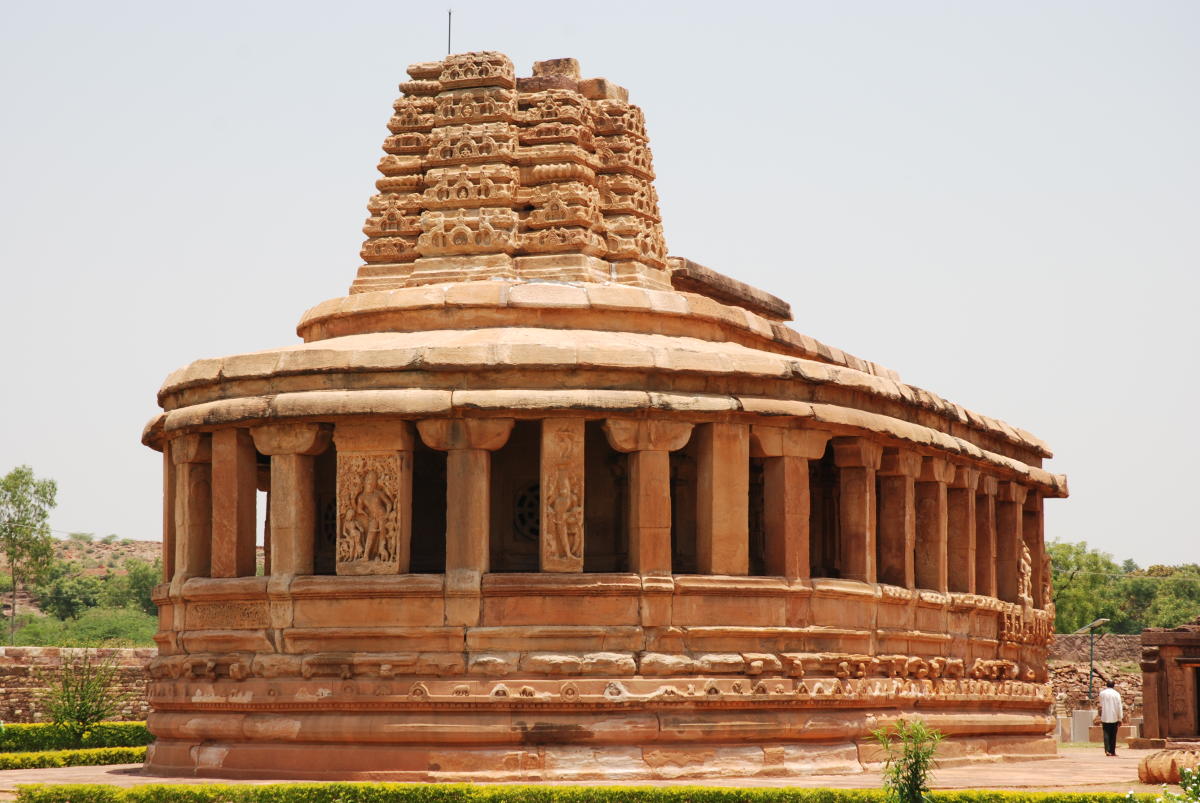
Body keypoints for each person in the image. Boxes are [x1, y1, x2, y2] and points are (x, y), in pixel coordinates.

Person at [1098, 679, 1124, 756]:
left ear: (1107, 685)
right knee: (1113, 735)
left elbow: (1101, 704)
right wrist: (1120, 718)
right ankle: (1112, 751)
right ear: (1113, 685)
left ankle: (1107, 750)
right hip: (1114, 716)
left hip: (1105, 716)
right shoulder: (1116, 694)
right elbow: (1119, 707)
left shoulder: (1102, 693)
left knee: (1106, 733)